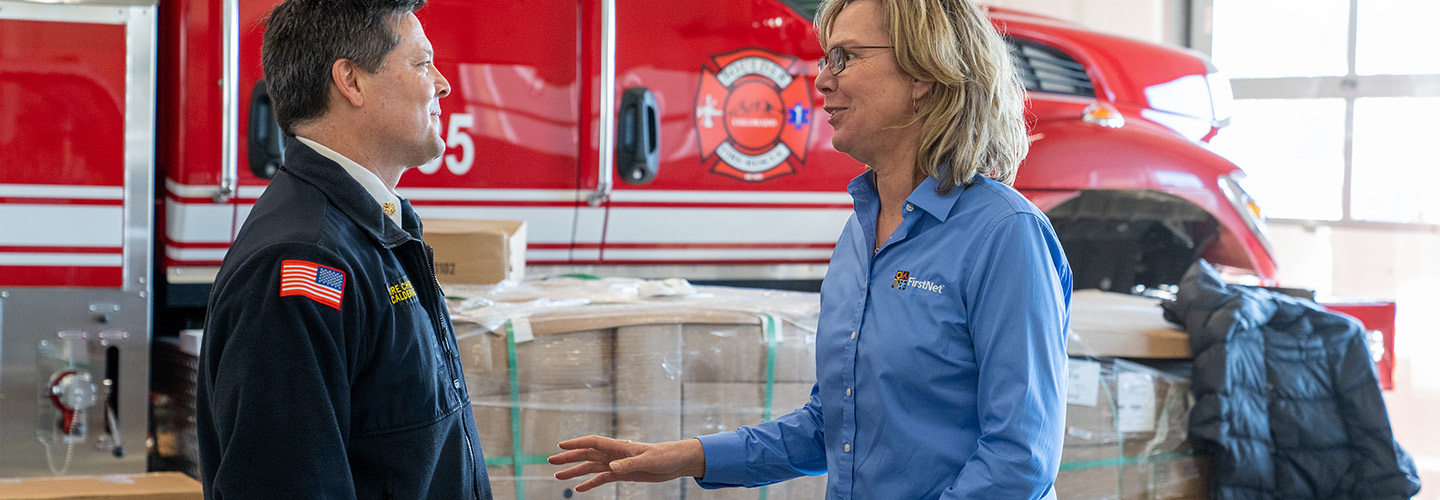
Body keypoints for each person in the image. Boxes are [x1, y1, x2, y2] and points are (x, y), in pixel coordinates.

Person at [548, 0, 1071, 498]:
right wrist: (689, 456)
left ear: (923, 75)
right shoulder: (860, 235)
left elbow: (1019, 459)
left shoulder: (1005, 234)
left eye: (845, 57)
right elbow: (834, 427)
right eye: (826, 59)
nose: (822, 79)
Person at [196, 1, 491, 498]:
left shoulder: (373, 231)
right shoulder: (301, 263)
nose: (441, 84)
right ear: (350, 81)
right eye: (422, 63)